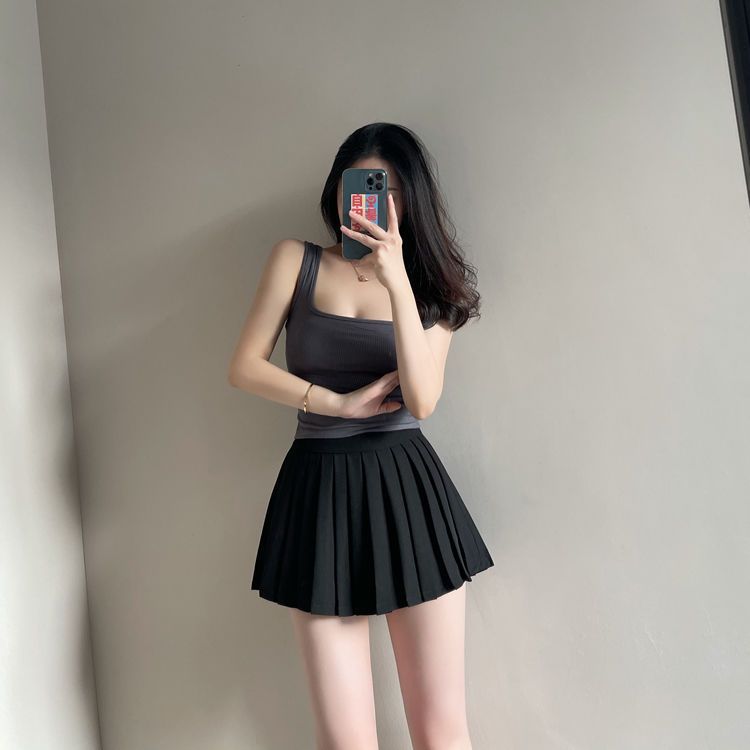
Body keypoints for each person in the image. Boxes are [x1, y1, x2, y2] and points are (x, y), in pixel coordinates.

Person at [228, 122, 494, 750]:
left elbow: (422, 400)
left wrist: (397, 279)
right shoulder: (296, 260)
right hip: (317, 489)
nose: (379, 203)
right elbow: (243, 366)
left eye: (393, 191)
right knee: (344, 739)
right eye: (366, 187)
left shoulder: (434, 290)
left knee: (440, 731)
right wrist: (336, 404)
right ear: (339, 190)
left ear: (413, 199)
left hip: (408, 491)